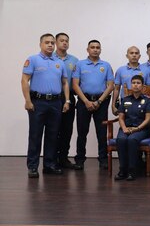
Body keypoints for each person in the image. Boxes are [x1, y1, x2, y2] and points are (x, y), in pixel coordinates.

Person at [21, 33, 70, 178]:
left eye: (52, 43)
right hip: (38, 102)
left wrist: (67, 100)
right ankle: (33, 167)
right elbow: (24, 80)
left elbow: (65, 82)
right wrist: (28, 100)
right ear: (40, 44)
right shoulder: (33, 60)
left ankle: (49, 165)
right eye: (47, 42)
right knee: (35, 135)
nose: (50, 45)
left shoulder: (59, 62)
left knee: (53, 135)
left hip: (56, 103)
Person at [72, 40, 115, 170]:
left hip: (101, 102)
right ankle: (80, 159)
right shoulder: (80, 64)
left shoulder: (106, 65)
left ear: (100, 50)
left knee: (102, 133)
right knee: (82, 132)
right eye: (92, 47)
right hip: (83, 102)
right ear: (87, 49)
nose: (95, 49)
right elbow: (75, 84)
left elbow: (111, 86)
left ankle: (103, 160)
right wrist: (86, 101)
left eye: (97, 47)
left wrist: (99, 101)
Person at [114, 75, 150, 181]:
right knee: (121, 139)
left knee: (132, 140)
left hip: (142, 129)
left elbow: (148, 119)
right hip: (126, 128)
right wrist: (124, 128)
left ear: (143, 86)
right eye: (134, 83)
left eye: (138, 83)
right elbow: (121, 117)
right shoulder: (125, 99)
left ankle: (132, 170)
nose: (135, 85)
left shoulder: (147, 101)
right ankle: (122, 170)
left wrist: (137, 129)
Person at [54, 32, 79, 169]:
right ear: (56, 42)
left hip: (69, 98)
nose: (64, 43)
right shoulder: (50, 58)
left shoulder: (74, 61)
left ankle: (63, 159)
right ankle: (52, 159)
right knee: (53, 130)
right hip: (54, 98)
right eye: (61, 40)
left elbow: (76, 81)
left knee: (67, 129)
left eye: (66, 41)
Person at [112, 46, 150, 116]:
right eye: (131, 53)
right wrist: (113, 105)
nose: (134, 55)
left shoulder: (146, 70)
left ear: (139, 56)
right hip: (125, 102)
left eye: (136, 53)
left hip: (142, 102)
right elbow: (116, 89)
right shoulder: (121, 70)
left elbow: (149, 89)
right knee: (126, 123)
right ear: (127, 56)